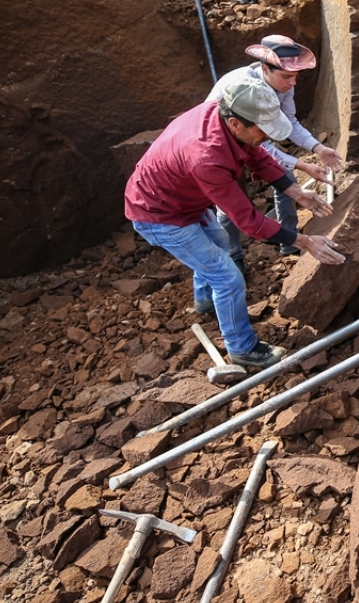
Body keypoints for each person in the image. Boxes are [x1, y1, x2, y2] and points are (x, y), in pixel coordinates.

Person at [125, 74, 345, 368]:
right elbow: (248, 221)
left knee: (217, 243)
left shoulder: (227, 113)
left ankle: (205, 302)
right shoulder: (207, 156)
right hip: (160, 214)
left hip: (184, 200)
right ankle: (243, 349)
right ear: (235, 124)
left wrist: (296, 192)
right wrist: (304, 241)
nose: (267, 137)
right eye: (263, 130)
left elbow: (257, 154)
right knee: (227, 278)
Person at [208, 35, 345, 264]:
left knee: (285, 178)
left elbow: (288, 122)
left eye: (295, 76)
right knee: (231, 206)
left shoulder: (282, 84)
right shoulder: (245, 89)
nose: (293, 83)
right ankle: (234, 257)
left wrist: (318, 148)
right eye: (286, 77)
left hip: (250, 142)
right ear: (265, 69)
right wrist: (302, 164)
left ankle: (288, 241)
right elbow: (261, 144)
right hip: (221, 147)